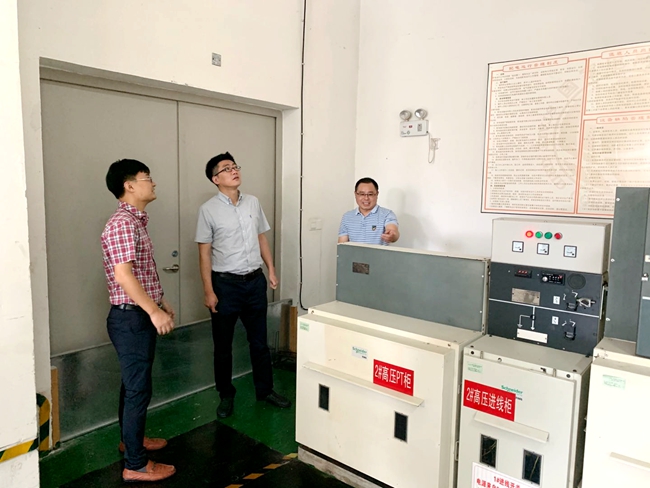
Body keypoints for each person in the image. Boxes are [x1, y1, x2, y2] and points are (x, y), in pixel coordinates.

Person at [195, 152, 291, 419]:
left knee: (259, 342)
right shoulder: (208, 210)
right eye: (226, 169)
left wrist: (271, 269)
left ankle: (265, 390)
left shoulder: (253, 202)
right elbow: (204, 253)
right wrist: (209, 291)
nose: (234, 171)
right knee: (223, 346)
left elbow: (261, 238)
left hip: (254, 282)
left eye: (235, 166)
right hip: (225, 286)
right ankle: (226, 394)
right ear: (215, 179)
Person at [101, 159, 176, 483]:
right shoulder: (122, 223)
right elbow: (124, 276)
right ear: (129, 185)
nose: (153, 183)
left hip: (136, 315)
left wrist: (160, 300)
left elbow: (141, 272)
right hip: (131, 319)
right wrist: (154, 312)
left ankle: (130, 441)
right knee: (137, 390)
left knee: (133, 386)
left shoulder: (135, 221)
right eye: (147, 178)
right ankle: (135, 464)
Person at [338, 177, 400, 245]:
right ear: (355, 194)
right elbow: (342, 245)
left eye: (370, 194)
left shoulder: (387, 214)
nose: (366, 198)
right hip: (354, 252)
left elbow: (393, 231)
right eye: (362, 194)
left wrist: (392, 235)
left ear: (377, 194)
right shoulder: (347, 217)